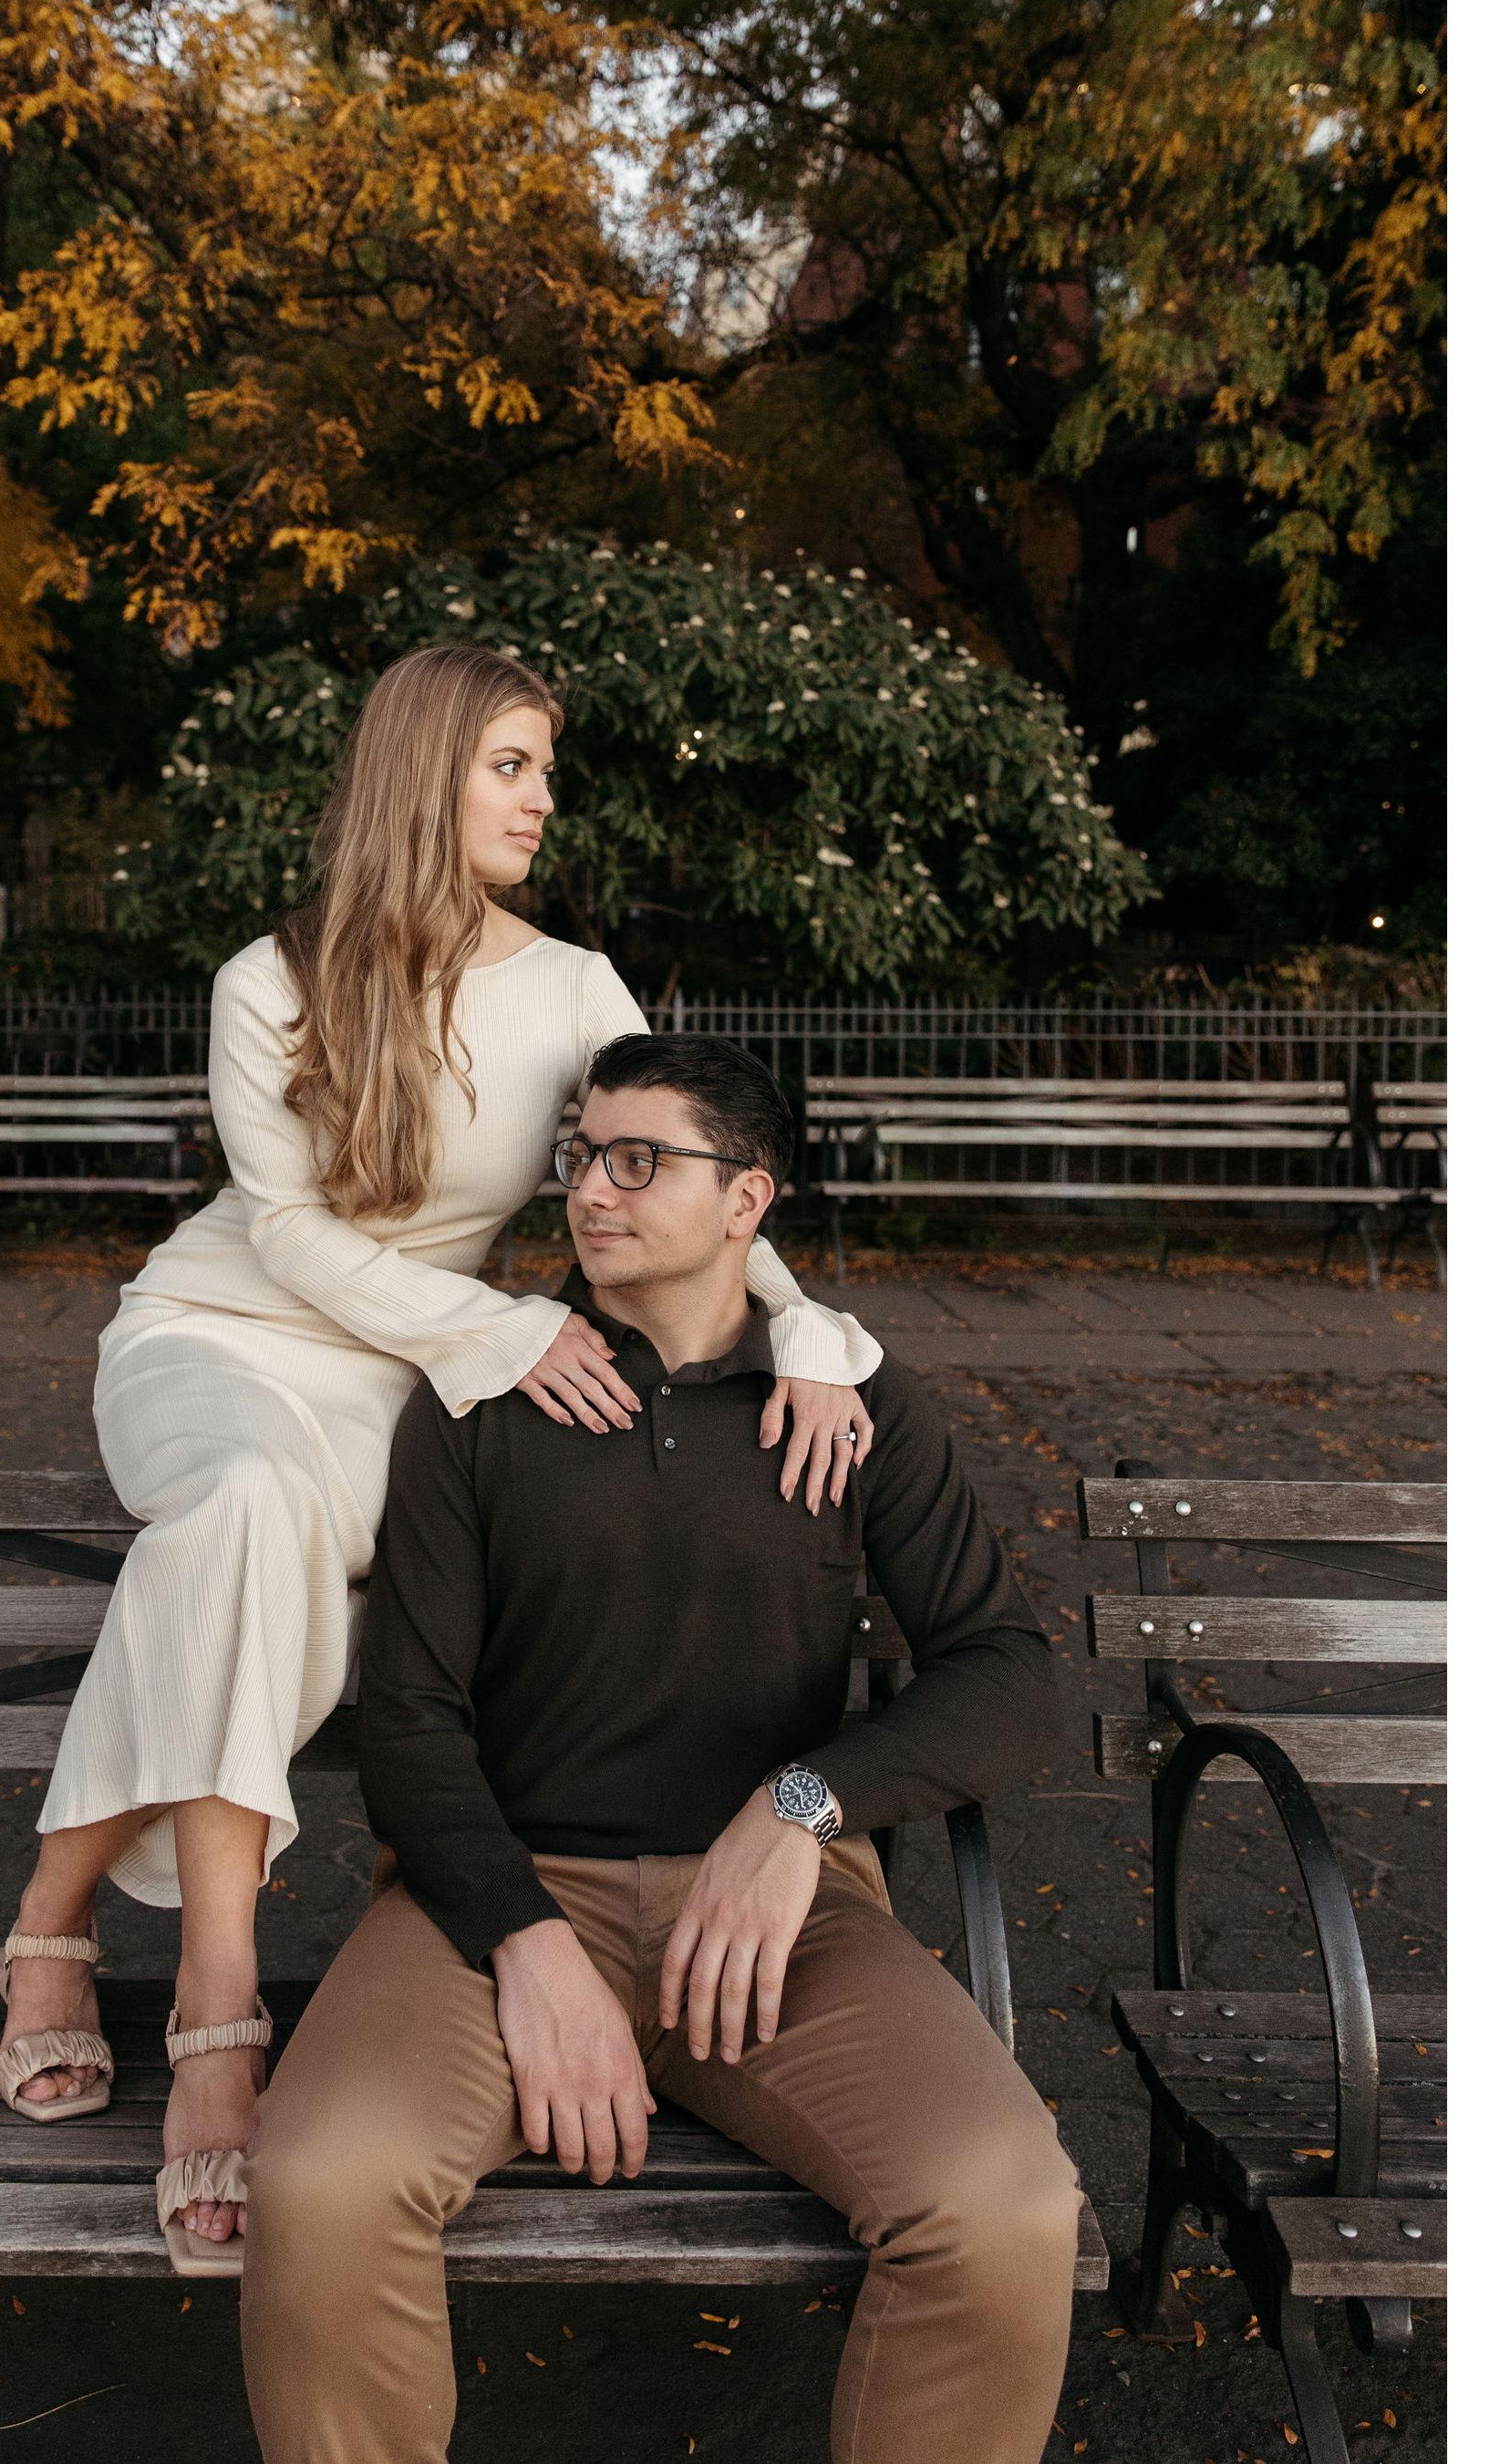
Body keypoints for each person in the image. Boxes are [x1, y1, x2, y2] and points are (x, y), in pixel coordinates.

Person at [0, 644, 884, 2275]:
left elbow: (686, 1164)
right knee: (248, 1506)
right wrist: (501, 1333)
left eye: (546, 770)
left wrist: (810, 1328)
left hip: (403, 1377)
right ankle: (216, 2010)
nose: (544, 801)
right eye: (511, 767)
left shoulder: (578, 987)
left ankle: (48, 1922)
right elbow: (287, 1233)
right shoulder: (269, 981)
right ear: (425, 772)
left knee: (262, 1576)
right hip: (221, 1339)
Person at [238, 1030, 1081, 2463]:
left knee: (1004, 2207)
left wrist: (801, 1810)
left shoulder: (854, 1403)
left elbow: (1007, 1676)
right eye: (582, 1157)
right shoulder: (483, 1397)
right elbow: (411, 1722)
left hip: (778, 1917)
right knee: (323, 2184)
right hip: (494, 1903)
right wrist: (525, 1941)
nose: (591, 1192)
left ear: (748, 1197)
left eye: (639, 1162)